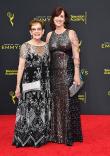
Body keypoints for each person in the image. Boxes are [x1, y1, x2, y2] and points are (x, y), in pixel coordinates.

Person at [46, 7, 83, 146]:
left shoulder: (71, 33)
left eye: (62, 16)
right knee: (54, 103)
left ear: (65, 19)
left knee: (68, 102)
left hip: (67, 72)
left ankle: (68, 135)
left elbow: (76, 54)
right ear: (53, 18)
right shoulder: (49, 35)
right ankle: (55, 134)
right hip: (53, 73)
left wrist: (76, 74)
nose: (59, 19)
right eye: (57, 16)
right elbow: (48, 56)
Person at [12, 19, 51, 148]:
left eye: (38, 29)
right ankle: (27, 137)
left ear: (43, 31)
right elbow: (21, 67)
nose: (36, 31)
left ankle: (41, 136)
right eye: (33, 29)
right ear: (30, 31)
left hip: (44, 84)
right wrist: (18, 86)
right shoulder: (25, 46)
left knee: (41, 111)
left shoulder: (46, 46)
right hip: (30, 83)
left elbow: (48, 64)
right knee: (29, 110)